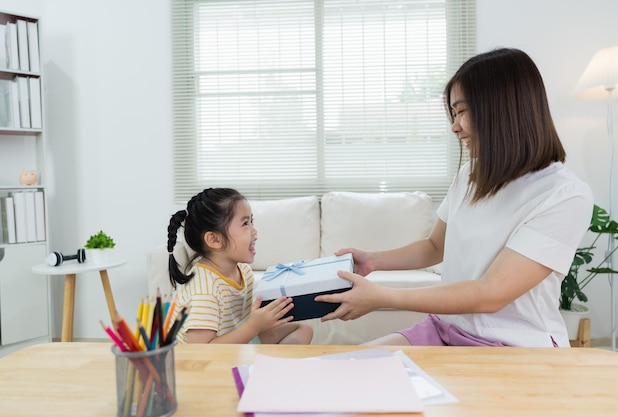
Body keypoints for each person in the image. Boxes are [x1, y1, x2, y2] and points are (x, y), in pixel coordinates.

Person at [315, 48, 594, 348]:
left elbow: (491, 293)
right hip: (445, 328)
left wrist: (383, 297)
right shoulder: (470, 175)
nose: (455, 126)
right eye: (454, 113)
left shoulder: (563, 194)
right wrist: (373, 260)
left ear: (501, 107)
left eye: (462, 111)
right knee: (347, 368)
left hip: (513, 346)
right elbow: (435, 246)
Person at [166, 187, 313, 344]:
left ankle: (269, 366)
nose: (254, 231)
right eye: (245, 224)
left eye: (251, 221)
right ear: (215, 240)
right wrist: (253, 327)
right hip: (204, 360)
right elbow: (201, 350)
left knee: (303, 327)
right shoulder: (203, 291)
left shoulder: (243, 270)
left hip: (235, 345)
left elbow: (242, 324)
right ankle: (265, 366)